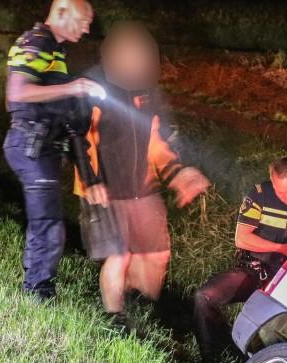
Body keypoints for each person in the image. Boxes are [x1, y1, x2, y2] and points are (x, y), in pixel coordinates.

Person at [73, 21, 210, 330]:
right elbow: (81, 138)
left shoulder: (149, 94)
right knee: (119, 255)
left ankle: (142, 305)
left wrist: (179, 173)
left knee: (156, 254)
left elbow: (157, 143)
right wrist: (91, 180)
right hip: (105, 188)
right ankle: (114, 316)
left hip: (141, 188)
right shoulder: (95, 90)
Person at [3, 0, 105, 302]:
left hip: (43, 147)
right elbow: (17, 93)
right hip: (30, 144)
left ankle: (38, 286)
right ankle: (38, 292)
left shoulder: (55, 51)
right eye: (83, 20)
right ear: (61, 12)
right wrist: (74, 88)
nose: (87, 28)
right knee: (48, 223)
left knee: (47, 221)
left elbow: (67, 119)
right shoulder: (36, 41)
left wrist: (89, 175)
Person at [193, 157, 287, 363]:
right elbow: (242, 238)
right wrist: (281, 248)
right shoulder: (259, 195)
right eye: (280, 192)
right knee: (204, 298)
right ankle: (214, 361)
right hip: (255, 269)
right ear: (271, 179)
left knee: (280, 329)